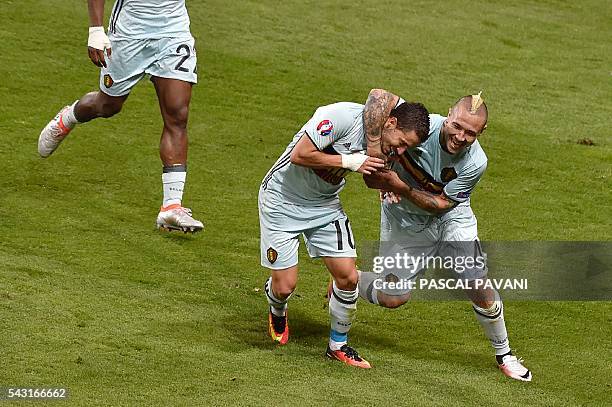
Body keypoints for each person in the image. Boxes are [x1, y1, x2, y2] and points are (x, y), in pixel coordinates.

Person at [359, 90, 532, 381]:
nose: (461, 136)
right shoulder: (422, 128)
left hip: (452, 219)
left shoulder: (476, 162)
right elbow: (378, 97)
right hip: (405, 221)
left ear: (482, 132)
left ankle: (504, 354)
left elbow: (442, 206)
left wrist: (399, 186)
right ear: (448, 115)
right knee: (393, 297)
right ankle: (349, 279)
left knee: (476, 281)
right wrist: (378, 158)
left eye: (471, 133)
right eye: (458, 126)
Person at [260, 99, 430, 368]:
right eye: (401, 142)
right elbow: (299, 155)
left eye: (407, 147)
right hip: (282, 200)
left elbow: (378, 170)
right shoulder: (339, 117)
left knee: (348, 277)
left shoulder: (386, 142)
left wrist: (386, 186)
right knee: (285, 286)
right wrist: (349, 161)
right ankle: (277, 308)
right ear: (391, 122)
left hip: (324, 205)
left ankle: (338, 345)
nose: (400, 150)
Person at [38, 0, 203, 233]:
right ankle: (69, 117)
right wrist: (95, 30)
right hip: (130, 31)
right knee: (108, 105)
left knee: (177, 114)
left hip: (173, 31)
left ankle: (171, 206)